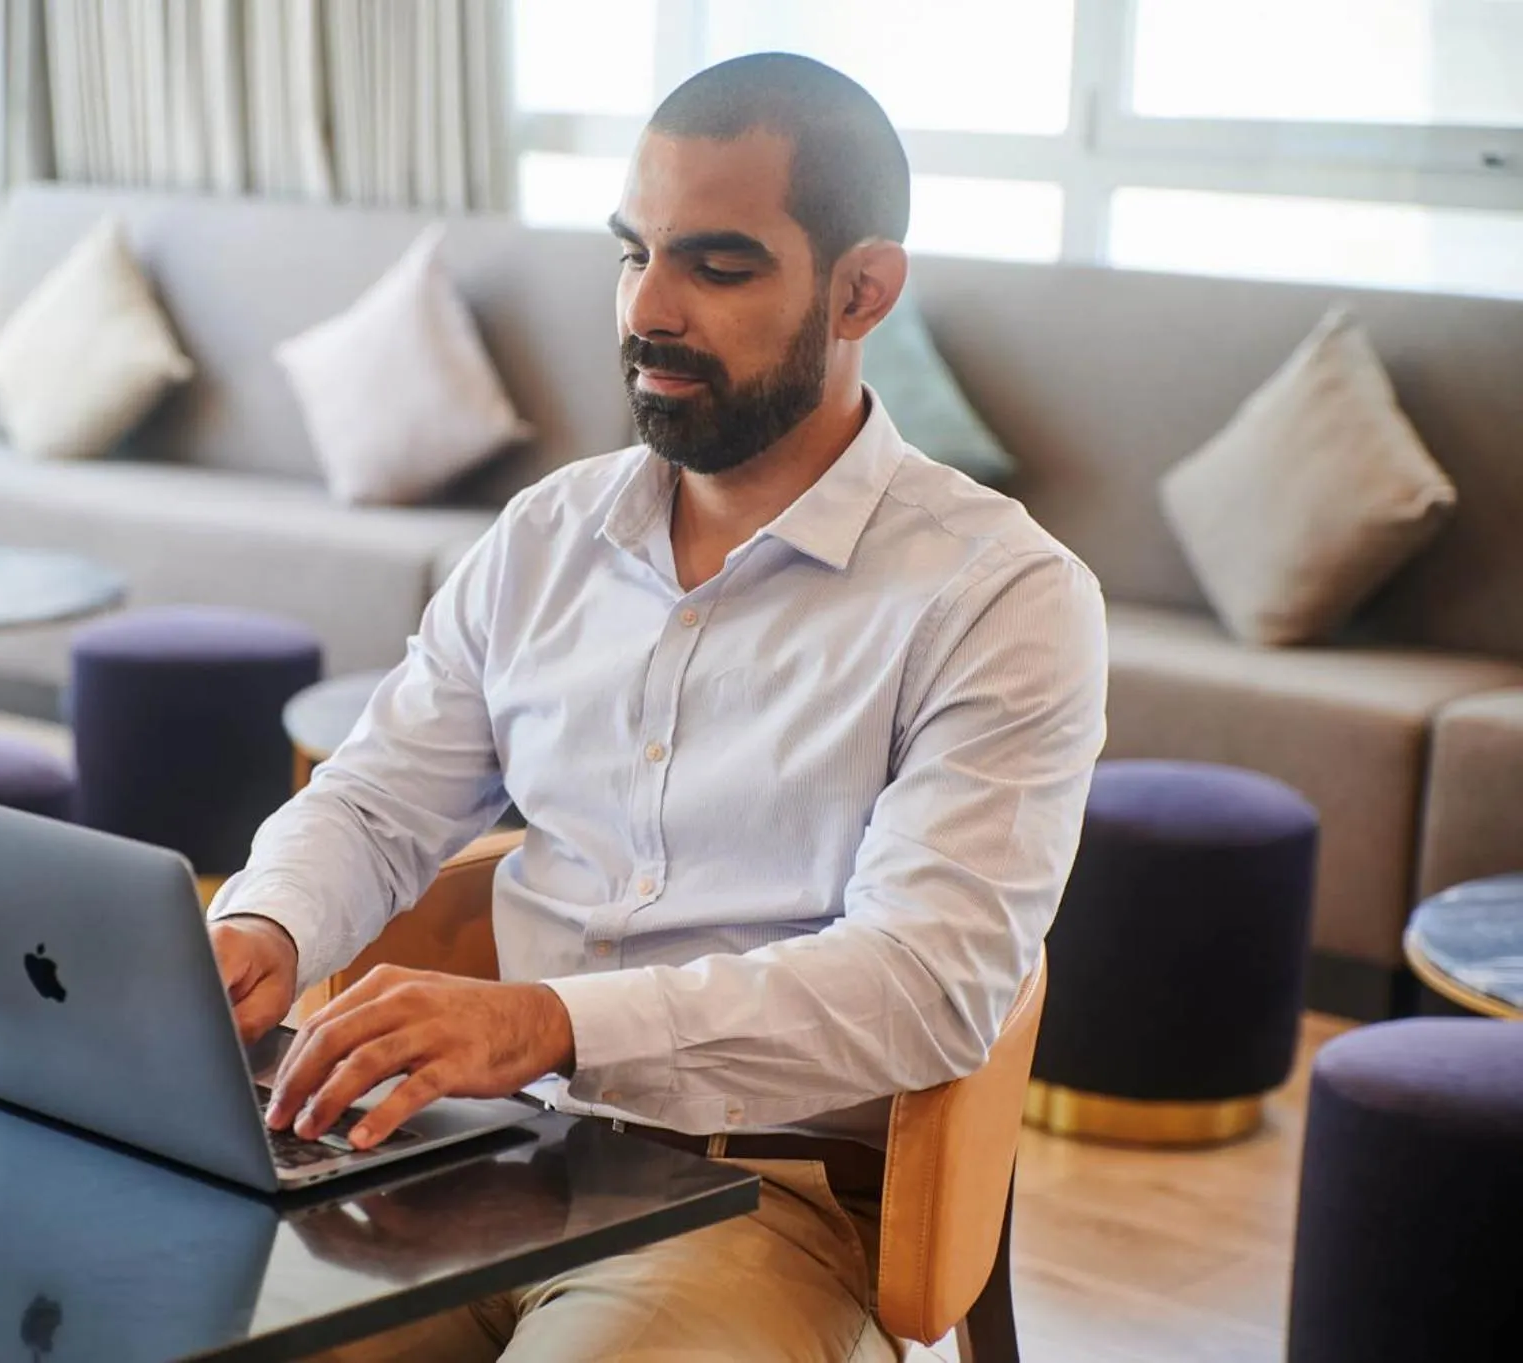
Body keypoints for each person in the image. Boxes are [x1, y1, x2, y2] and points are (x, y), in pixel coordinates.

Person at [205, 51, 1108, 1363]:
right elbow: (374, 794)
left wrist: (553, 1023)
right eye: (634, 254)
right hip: (470, 1161)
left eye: (718, 266)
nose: (649, 308)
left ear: (863, 290)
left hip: (760, 1201)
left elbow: (928, 983)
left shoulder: (1003, 597)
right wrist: (266, 924)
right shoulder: (547, 534)